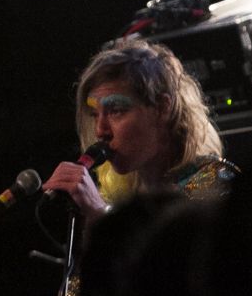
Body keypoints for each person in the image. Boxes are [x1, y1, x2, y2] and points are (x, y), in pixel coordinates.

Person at [43, 37, 237, 218]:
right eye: (95, 115)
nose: (100, 131)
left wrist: (99, 214)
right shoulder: (127, 197)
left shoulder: (214, 179)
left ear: (161, 108)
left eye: (116, 111)